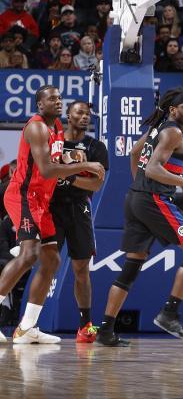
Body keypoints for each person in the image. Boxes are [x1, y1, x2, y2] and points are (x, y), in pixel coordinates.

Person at [97, 89, 183, 347]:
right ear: (173, 110)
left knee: (131, 267)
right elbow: (152, 168)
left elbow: (134, 153)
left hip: (136, 198)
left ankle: (106, 330)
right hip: (154, 200)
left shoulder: (157, 128)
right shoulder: (173, 132)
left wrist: (138, 185)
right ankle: (169, 313)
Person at [0, 86, 103, 343]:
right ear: (39, 105)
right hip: (24, 196)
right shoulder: (37, 128)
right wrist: (85, 165)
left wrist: (74, 162)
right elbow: (46, 169)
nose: (58, 102)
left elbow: (55, 164)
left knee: (51, 260)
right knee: (29, 255)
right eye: (52, 99)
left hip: (42, 201)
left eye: (59, 98)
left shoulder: (56, 124)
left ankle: (26, 328)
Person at [48, 100, 107, 342]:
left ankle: (85, 326)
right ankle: (29, 323)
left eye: (87, 114)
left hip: (79, 208)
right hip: (52, 208)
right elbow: (45, 173)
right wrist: (67, 175)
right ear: (68, 115)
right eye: (79, 112)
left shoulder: (96, 147)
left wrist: (66, 178)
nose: (85, 117)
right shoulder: (53, 142)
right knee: (46, 265)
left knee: (81, 269)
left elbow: (95, 184)